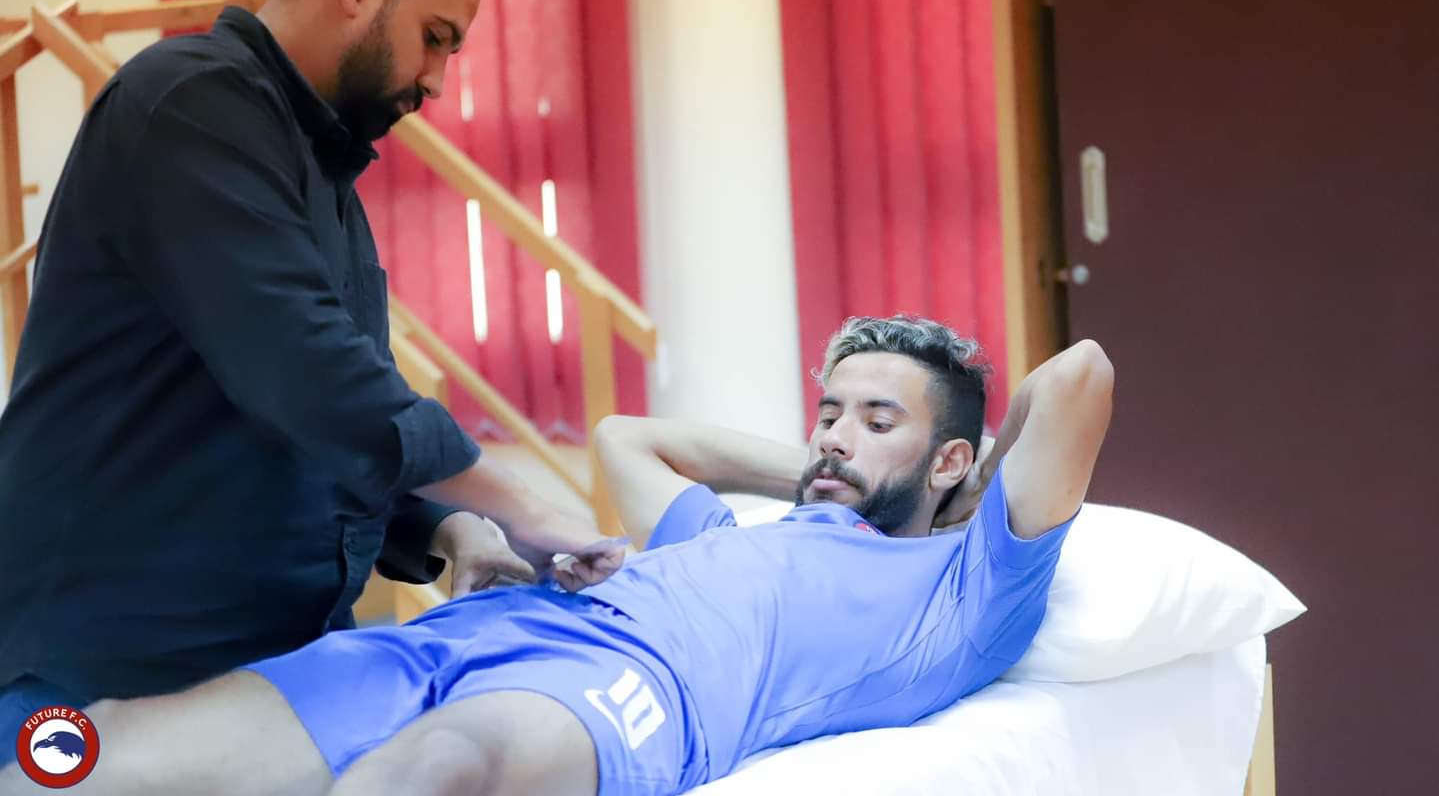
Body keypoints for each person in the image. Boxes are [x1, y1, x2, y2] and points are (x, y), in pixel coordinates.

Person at [0, 0, 621, 751]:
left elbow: (330, 435)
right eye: (433, 38)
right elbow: (307, 374)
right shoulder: (189, 104)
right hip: (103, 672)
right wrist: (518, 501)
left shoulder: (322, 179)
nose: (438, 81)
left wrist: (453, 528)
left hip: (254, 668)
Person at [0, 316, 1115, 796]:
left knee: (436, 773)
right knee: (99, 746)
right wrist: (825, 470)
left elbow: (1079, 375)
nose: (833, 435)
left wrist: (959, 494)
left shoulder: (963, 589)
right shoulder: (734, 535)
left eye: (875, 420)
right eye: (827, 412)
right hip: (485, 626)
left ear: (953, 459)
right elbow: (631, 437)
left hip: (634, 686)